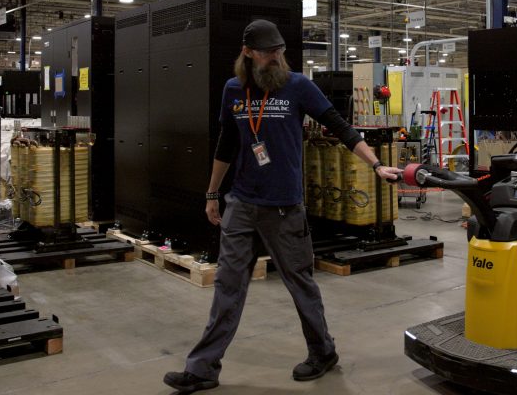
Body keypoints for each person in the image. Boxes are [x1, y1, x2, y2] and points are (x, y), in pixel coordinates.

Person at [164, 19, 401, 393]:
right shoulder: (233, 90)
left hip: (284, 208)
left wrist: (375, 164)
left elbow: (339, 126)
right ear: (248, 53)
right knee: (228, 285)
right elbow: (228, 142)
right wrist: (212, 193)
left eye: (279, 51)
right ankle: (203, 368)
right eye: (268, 52)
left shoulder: (298, 87)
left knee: (300, 283)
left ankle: (323, 352)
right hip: (241, 202)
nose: (276, 58)